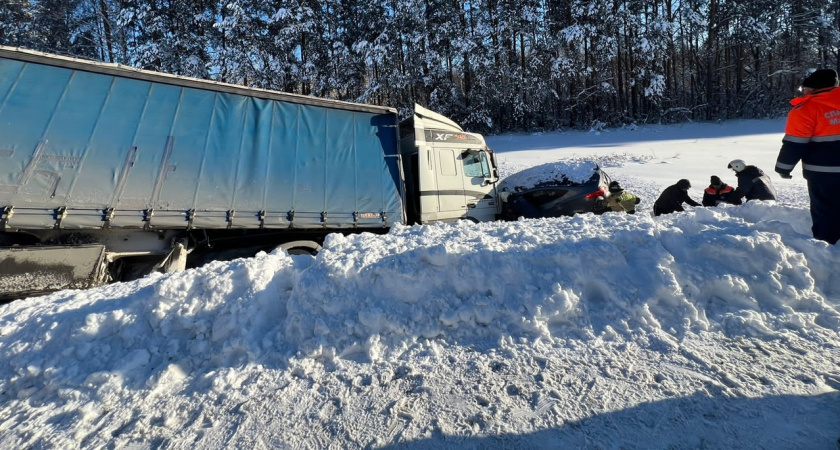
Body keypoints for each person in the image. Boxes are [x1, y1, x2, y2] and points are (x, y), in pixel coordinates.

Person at [775, 68, 840, 245]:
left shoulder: (807, 109)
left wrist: (783, 168)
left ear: (813, 88)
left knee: (825, 213)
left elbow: (795, 143)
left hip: (823, 173)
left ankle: (827, 251)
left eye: (804, 88)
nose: (802, 91)